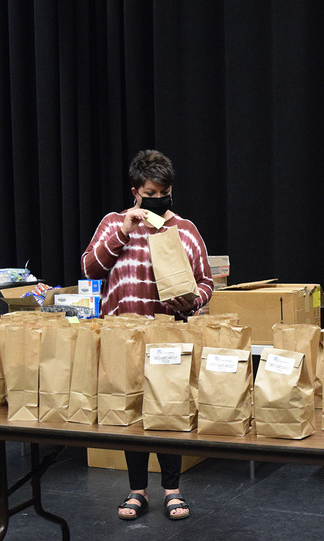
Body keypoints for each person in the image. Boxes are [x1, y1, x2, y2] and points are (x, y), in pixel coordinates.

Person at [80, 149, 214, 521]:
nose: (158, 199)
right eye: (150, 193)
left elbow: (206, 281)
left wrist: (193, 301)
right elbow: (91, 267)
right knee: (130, 410)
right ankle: (136, 490)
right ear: (136, 191)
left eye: (164, 192)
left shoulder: (184, 230)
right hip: (121, 336)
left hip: (167, 337)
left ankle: (172, 489)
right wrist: (125, 230)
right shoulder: (113, 223)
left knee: (167, 408)